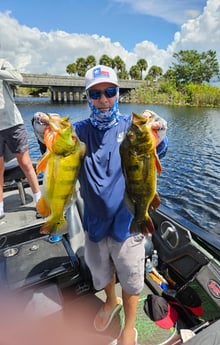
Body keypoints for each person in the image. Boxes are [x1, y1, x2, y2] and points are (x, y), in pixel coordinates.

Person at [36, 65, 168, 345]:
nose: (104, 100)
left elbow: (156, 150)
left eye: (110, 92)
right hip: (94, 224)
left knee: (132, 280)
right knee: (102, 272)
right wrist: (43, 128)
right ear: (87, 98)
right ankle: (110, 300)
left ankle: (129, 327)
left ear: (118, 93)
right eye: (96, 95)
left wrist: (161, 132)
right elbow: (53, 149)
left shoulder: (131, 130)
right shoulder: (78, 132)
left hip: (128, 222)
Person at [0, 58, 41, 219]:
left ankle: (39, 201)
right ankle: (1, 207)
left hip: (13, 124)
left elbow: (19, 79)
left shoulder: (2, 63)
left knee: (25, 163)